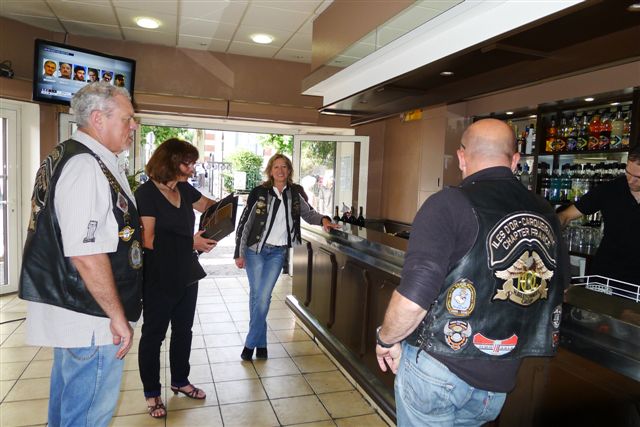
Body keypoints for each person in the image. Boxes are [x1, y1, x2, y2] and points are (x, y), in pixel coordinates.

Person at [375, 119, 568, 426]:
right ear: (515, 160)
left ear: (461, 157)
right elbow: (558, 286)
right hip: (499, 382)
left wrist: (386, 339)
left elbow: (415, 296)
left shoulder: (447, 204)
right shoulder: (546, 213)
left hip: (438, 367)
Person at [19, 82, 142, 427]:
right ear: (99, 119)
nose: (133, 126)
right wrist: (116, 316)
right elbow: (86, 254)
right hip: (90, 314)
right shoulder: (85, 165)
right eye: (127, 118)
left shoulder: (70, 155)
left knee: (68, 408)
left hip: (77, 308)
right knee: (87, 415)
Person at [135, 138, 218, 418]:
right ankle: (152, 393)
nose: (192, 168)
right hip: (159, 276)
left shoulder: (183, 188)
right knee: (154, 336)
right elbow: (148, 240)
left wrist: (223, 216)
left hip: (187, 272)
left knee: (184, 331)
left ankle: (180, 380)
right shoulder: (146, 193)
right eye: (187, 163)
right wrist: (190, 242)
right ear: (170, 162)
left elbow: (210, 206)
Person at [234, 153, 339, 360]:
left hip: (277, 252)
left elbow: (309, 214)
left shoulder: (294, 194)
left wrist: (324, 220)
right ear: (270, 171)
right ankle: (260, 344)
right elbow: (245, 222)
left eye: (284, 167)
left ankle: (251, 342)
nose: (280, 171)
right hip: (255, 251)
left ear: (289, 170)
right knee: (258, 297)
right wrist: (239, 252)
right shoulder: (259, 192)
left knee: (261, 297)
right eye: (276, 167)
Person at [558, 146, 640, 285]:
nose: (631, 180)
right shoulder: (610, 189)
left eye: (638, 177)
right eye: (628, 173)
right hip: (605, 275)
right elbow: (566, 215)